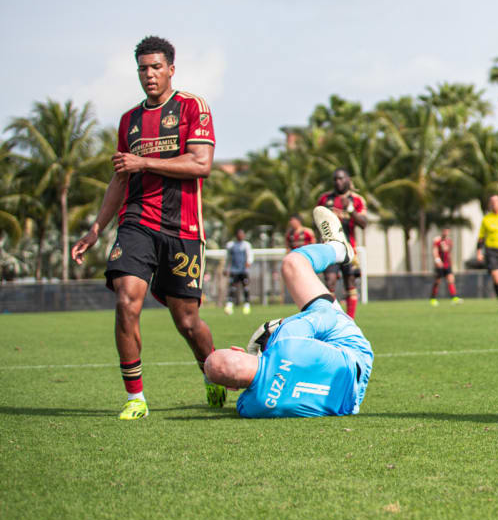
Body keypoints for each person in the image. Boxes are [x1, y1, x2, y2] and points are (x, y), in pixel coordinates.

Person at [70, 35, 220, 419]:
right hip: (136, 222)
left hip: (182, 228)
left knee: (187, 321)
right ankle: (135, 397)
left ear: (171, 68)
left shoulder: (192, 107)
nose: (149, 75)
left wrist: (145, 164)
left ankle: (212, 373)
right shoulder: (128, 121)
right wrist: (96, 229)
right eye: (143, 68)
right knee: (125, 300)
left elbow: (201, 164)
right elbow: (120, 180)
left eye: (156, 67)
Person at [203, 206, 373, 418]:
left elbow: (266, 384)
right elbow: (328, 317)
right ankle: (339, 248)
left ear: (233, 389)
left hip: (349, 404)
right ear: (237, 350)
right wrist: (279, 325)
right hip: (357, 355)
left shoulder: (250, 407)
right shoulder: (285, 338)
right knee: (293, 263)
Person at [316, 168, 367, 318]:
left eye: (341, 179)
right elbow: (317, 218)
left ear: (348, 180)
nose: (338, 182)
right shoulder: (325, 199)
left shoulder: (356, 200)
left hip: (348, 248)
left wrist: (350, 210)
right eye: (335, 179)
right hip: (330, 248)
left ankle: (350, 320)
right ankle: (330, 318)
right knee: (330, 282)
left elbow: (363, 223)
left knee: (350, 284)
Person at [223, 228, 254, 315]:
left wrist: (248, 263)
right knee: (232, 288)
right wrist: (225, 268)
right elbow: (228, 258)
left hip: (243, 270)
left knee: (245, 287)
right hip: (234, 270)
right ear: (236, 235)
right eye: (239, 234)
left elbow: (250, 256)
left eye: (242, 234)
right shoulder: (231, 245)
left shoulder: (246, 245)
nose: (241, 236)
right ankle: (229, 305)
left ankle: (247, 305)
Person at [430, 227, 461, 306]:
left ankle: (454, 298)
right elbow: (435, 250)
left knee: (451, 280)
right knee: (437, 282)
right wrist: (437, 260)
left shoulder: (449, 241)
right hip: (440, 265)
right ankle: (433, 298)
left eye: (447, 231)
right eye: (444, 231)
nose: (446, 232)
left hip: (447, 265)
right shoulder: (437, 240)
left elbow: (449, 253)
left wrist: (451, 263)